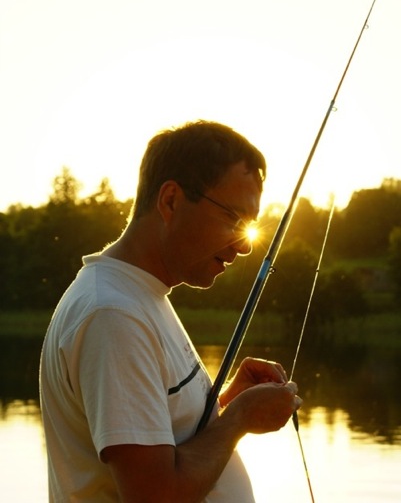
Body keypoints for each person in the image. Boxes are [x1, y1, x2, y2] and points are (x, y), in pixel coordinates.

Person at [40, 120, 302, 502]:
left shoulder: (140, 296)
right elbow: (155, 495)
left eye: (249, 225)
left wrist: (227, 403)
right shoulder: (113, 315)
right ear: (171, 201)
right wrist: (238, 419)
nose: (244, 246)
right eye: (233, 217)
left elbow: (161, 438)